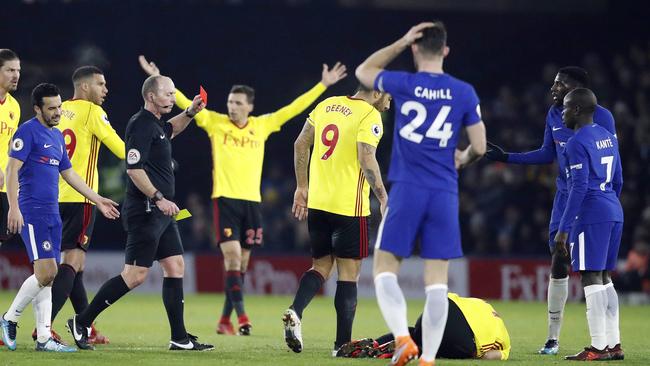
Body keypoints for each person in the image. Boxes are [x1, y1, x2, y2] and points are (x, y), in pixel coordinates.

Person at [138, 55, 347, 336]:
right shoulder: (215, 122)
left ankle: (225, 320)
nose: (232, 107)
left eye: (238, 103)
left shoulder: (261, 126)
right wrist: (161, 77)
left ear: (249, 106)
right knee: (233, 258)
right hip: (224, 200)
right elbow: (187, 104)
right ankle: (243, 317)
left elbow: (294, 109)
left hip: (252, 204)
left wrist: (322, 85)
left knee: (242, 265)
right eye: (229, 102)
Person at [356, 21, 486, 366]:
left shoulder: (403, 83)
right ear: (445, 51)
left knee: (384, 267)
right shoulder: (464, 91)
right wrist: (463, 157)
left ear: (416, 48)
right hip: (444, 192)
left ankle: (402, 339)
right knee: (437, 281)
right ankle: (427, 358)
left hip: (408, 188)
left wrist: (400, 40)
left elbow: (364, 71)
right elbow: (480, 145)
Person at [67, 75, 213, 352]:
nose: (172, 97)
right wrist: (158, 198)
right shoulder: (140, 125)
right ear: (151, 97)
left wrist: (191, 112)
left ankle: (179, 338)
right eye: (168, 94)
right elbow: (133, 170)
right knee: (135, 275)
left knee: (175, 266)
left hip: (161, 211)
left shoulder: (157, 125)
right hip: (146, 210)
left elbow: (171, 129)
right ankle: (81, 321)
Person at [484, 67, 616, 355]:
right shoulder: (554, 114)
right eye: (554, 83)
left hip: (592, 199)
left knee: (598, 272)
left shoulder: (602, 117)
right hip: (566, 196)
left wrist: (610, 199)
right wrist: (507, 157)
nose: (553, 88)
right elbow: (547, 153)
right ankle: (553, 338)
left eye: (560, 83)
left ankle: (606, 342)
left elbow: (612, 161)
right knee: (559, 258)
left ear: (577, 90)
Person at [0, 83, 120, 352]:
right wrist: (13, 207)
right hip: (32, 212)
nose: (57, 112)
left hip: (53, 212)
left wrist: (97, 199)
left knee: (48, 277)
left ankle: (44, 338)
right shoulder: (27, 132)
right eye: (51, 108)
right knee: (48, 271)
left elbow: (70, 174)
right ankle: (9, 318)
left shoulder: (56, 137)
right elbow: (11, 170)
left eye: (59, 107)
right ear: (37, 109)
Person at [283, 85, 391, 355]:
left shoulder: (327, 105)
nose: (389, 104)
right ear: (377, 92)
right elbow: (367, 158)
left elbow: (300, 144)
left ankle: (295, 311)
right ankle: (341, 345)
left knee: (319, 266)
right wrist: (383, 197)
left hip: (318, 204)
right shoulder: (369, 115)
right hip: (349, 208)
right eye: (389, 97)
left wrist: (301, 186)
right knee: (348, 276)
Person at [44, 66, 124, 345]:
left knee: (75, 265)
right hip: (83, 197)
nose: (105, 90)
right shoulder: (92, 112)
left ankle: (86, 327)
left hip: (55, 196)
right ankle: (44, 326)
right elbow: (122, 150)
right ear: (85, 87)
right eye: (101, 84)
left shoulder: (58, 110)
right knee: (73, 262)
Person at [554, 88, 624, 361]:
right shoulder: (608, 137)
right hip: (613, 209)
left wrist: (563, 227)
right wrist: (608, 206)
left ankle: (598, 347)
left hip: (591, 212)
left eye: (566, 107)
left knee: (590, 276)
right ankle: (614, 344)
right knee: (605, 277)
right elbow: (618, 179)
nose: (562, 112)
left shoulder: (575, 142)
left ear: (578, 110)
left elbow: (579, 188)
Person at [337, 293, 510, 361]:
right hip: (461, 336)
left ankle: (376, 343)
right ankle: (394, 351)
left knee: (415, 333)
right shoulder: (505, 341)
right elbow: (489, 356)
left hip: (442, 305)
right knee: (431, 348)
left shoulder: (481, 304)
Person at [0, 49, 21, 248]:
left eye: (18, 70)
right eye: (10, 70)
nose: (16, 75)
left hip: (3, 188)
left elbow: (10, 149)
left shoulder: (14, 107)